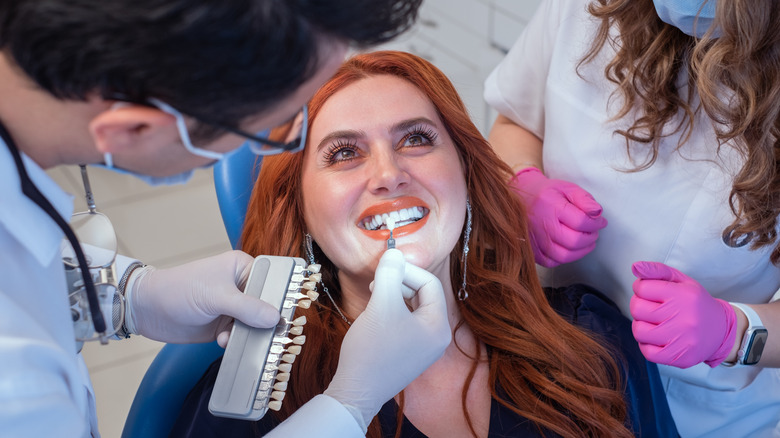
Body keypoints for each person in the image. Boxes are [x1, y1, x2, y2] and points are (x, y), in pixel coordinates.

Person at [0, 1, 462, 437]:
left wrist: (125, 294)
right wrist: (349, 405)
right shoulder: (19, 384)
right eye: (278, 126)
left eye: (417, 139)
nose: (388, 175)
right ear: (132, 130)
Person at [170, 50, 678, 437]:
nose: (389, 175)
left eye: (415, 139)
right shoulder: (252, 402)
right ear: (300, 208)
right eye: (345, 152)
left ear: (467, 177)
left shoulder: (592, 339)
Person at [483, 0, 780, 436]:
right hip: (549, 350)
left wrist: (731, 331)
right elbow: (516, 121)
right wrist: (523, 188)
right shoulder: (589, 9)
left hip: (696, 410)